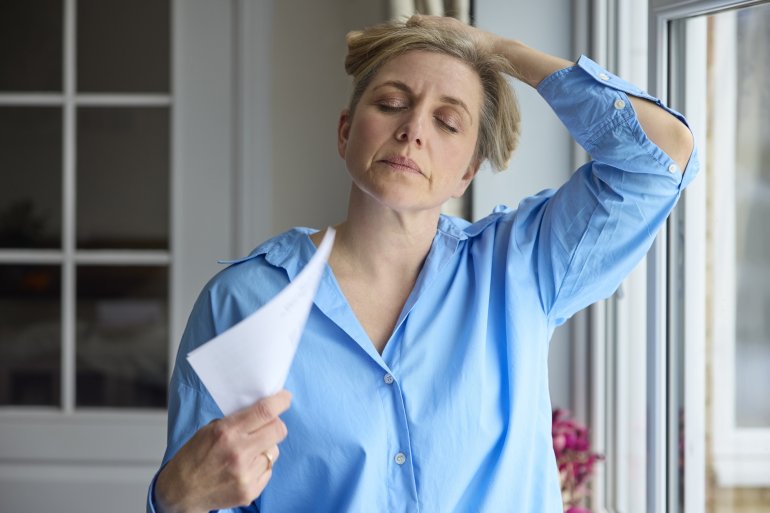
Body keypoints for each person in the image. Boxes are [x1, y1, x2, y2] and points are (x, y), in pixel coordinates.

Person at [148, 15, 696, 513]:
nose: (412, 129)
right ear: (345, 132)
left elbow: (661, 156)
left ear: (469, 173)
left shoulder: (523, 269)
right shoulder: (243, 300)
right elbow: (201, 492)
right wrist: (173, 498)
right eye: (390, 103)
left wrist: (500, 50)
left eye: (448, 122)